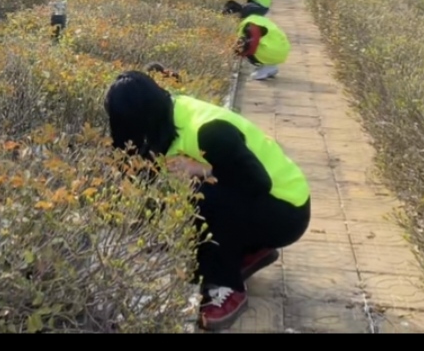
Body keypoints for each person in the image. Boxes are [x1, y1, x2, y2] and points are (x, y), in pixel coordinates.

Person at [103, 71, 311, 331]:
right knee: (201, 233)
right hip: (262, 202)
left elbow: (256, 183)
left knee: (206, 196)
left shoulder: (209, 131)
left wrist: (201, 169)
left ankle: (228, 286)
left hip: (287, 211)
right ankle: (249, 250)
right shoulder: (166, 117)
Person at [224, 0, 290, 81]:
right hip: (280, 50)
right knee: (244, 44)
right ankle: (271, 66)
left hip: (273, 52)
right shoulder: (256, 19)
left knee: (245, 46)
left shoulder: (250, 24)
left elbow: (252, 45)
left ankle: (268, 67)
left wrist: (239, 53)